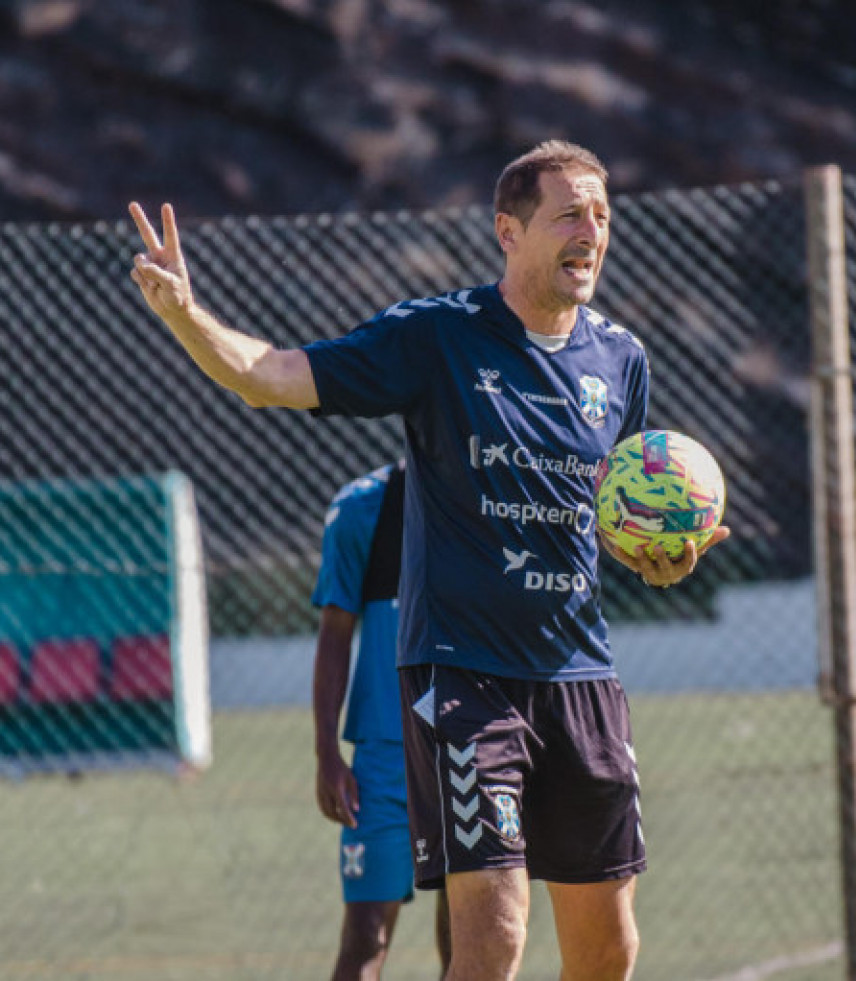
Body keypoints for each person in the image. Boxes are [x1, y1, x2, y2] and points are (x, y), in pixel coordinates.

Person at [128, 139, 729, 981]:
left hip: (580, 674)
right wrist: (186, 314)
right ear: (507, 232)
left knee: (609, 949)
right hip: (462, 675)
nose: (591, 230)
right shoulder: (440, 337)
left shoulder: (620, 360)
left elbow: (614, 517)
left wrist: (659, 559)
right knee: (494, 936)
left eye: (601, 215)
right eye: (568, 214)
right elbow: (271, 376)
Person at [312, 459, 450, 980]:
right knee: (366, 939)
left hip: (474, 748)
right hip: (384, 761)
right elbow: (334, 633)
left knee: (469, 938)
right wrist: (327, 752)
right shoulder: (361, 508)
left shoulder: (496, 501)